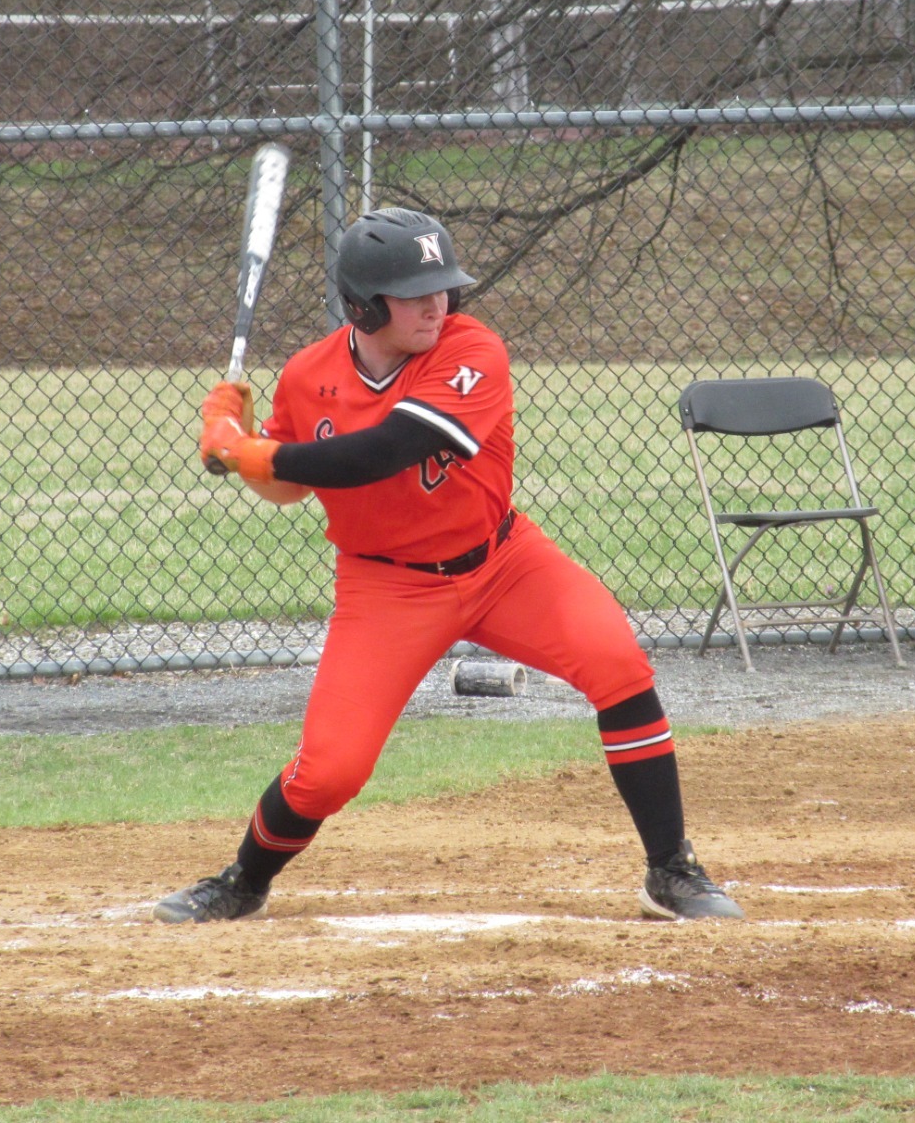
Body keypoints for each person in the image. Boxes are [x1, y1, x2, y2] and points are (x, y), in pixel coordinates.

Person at [161, 207, 743, 924]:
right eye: (414, 292)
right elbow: (288, 485)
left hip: (503, 564)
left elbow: (384, 450)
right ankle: (244, 882)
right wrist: (233, 444)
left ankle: (670, 871)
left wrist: (249, 451)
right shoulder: (309, 375)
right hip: (386, 586)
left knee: (618, 666)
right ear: (363, 306)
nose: (438, 303)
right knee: (330, 773)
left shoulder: (472, 350)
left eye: (443, 287)